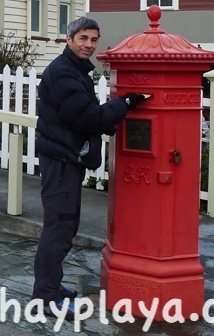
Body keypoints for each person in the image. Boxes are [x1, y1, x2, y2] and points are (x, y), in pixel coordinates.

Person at [31, 16, 147, 316]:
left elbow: (85, 115)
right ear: (68, 39)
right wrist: (125, 104)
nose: (89, 45)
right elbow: (86, 118)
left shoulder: (74, 70)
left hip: (67, 156)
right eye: (83, 38)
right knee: (59, 228)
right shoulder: (65, 73)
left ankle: (52, 287)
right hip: (61, 159)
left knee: (66, 225)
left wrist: (111, 114)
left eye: (94, 39)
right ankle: (46, 298)